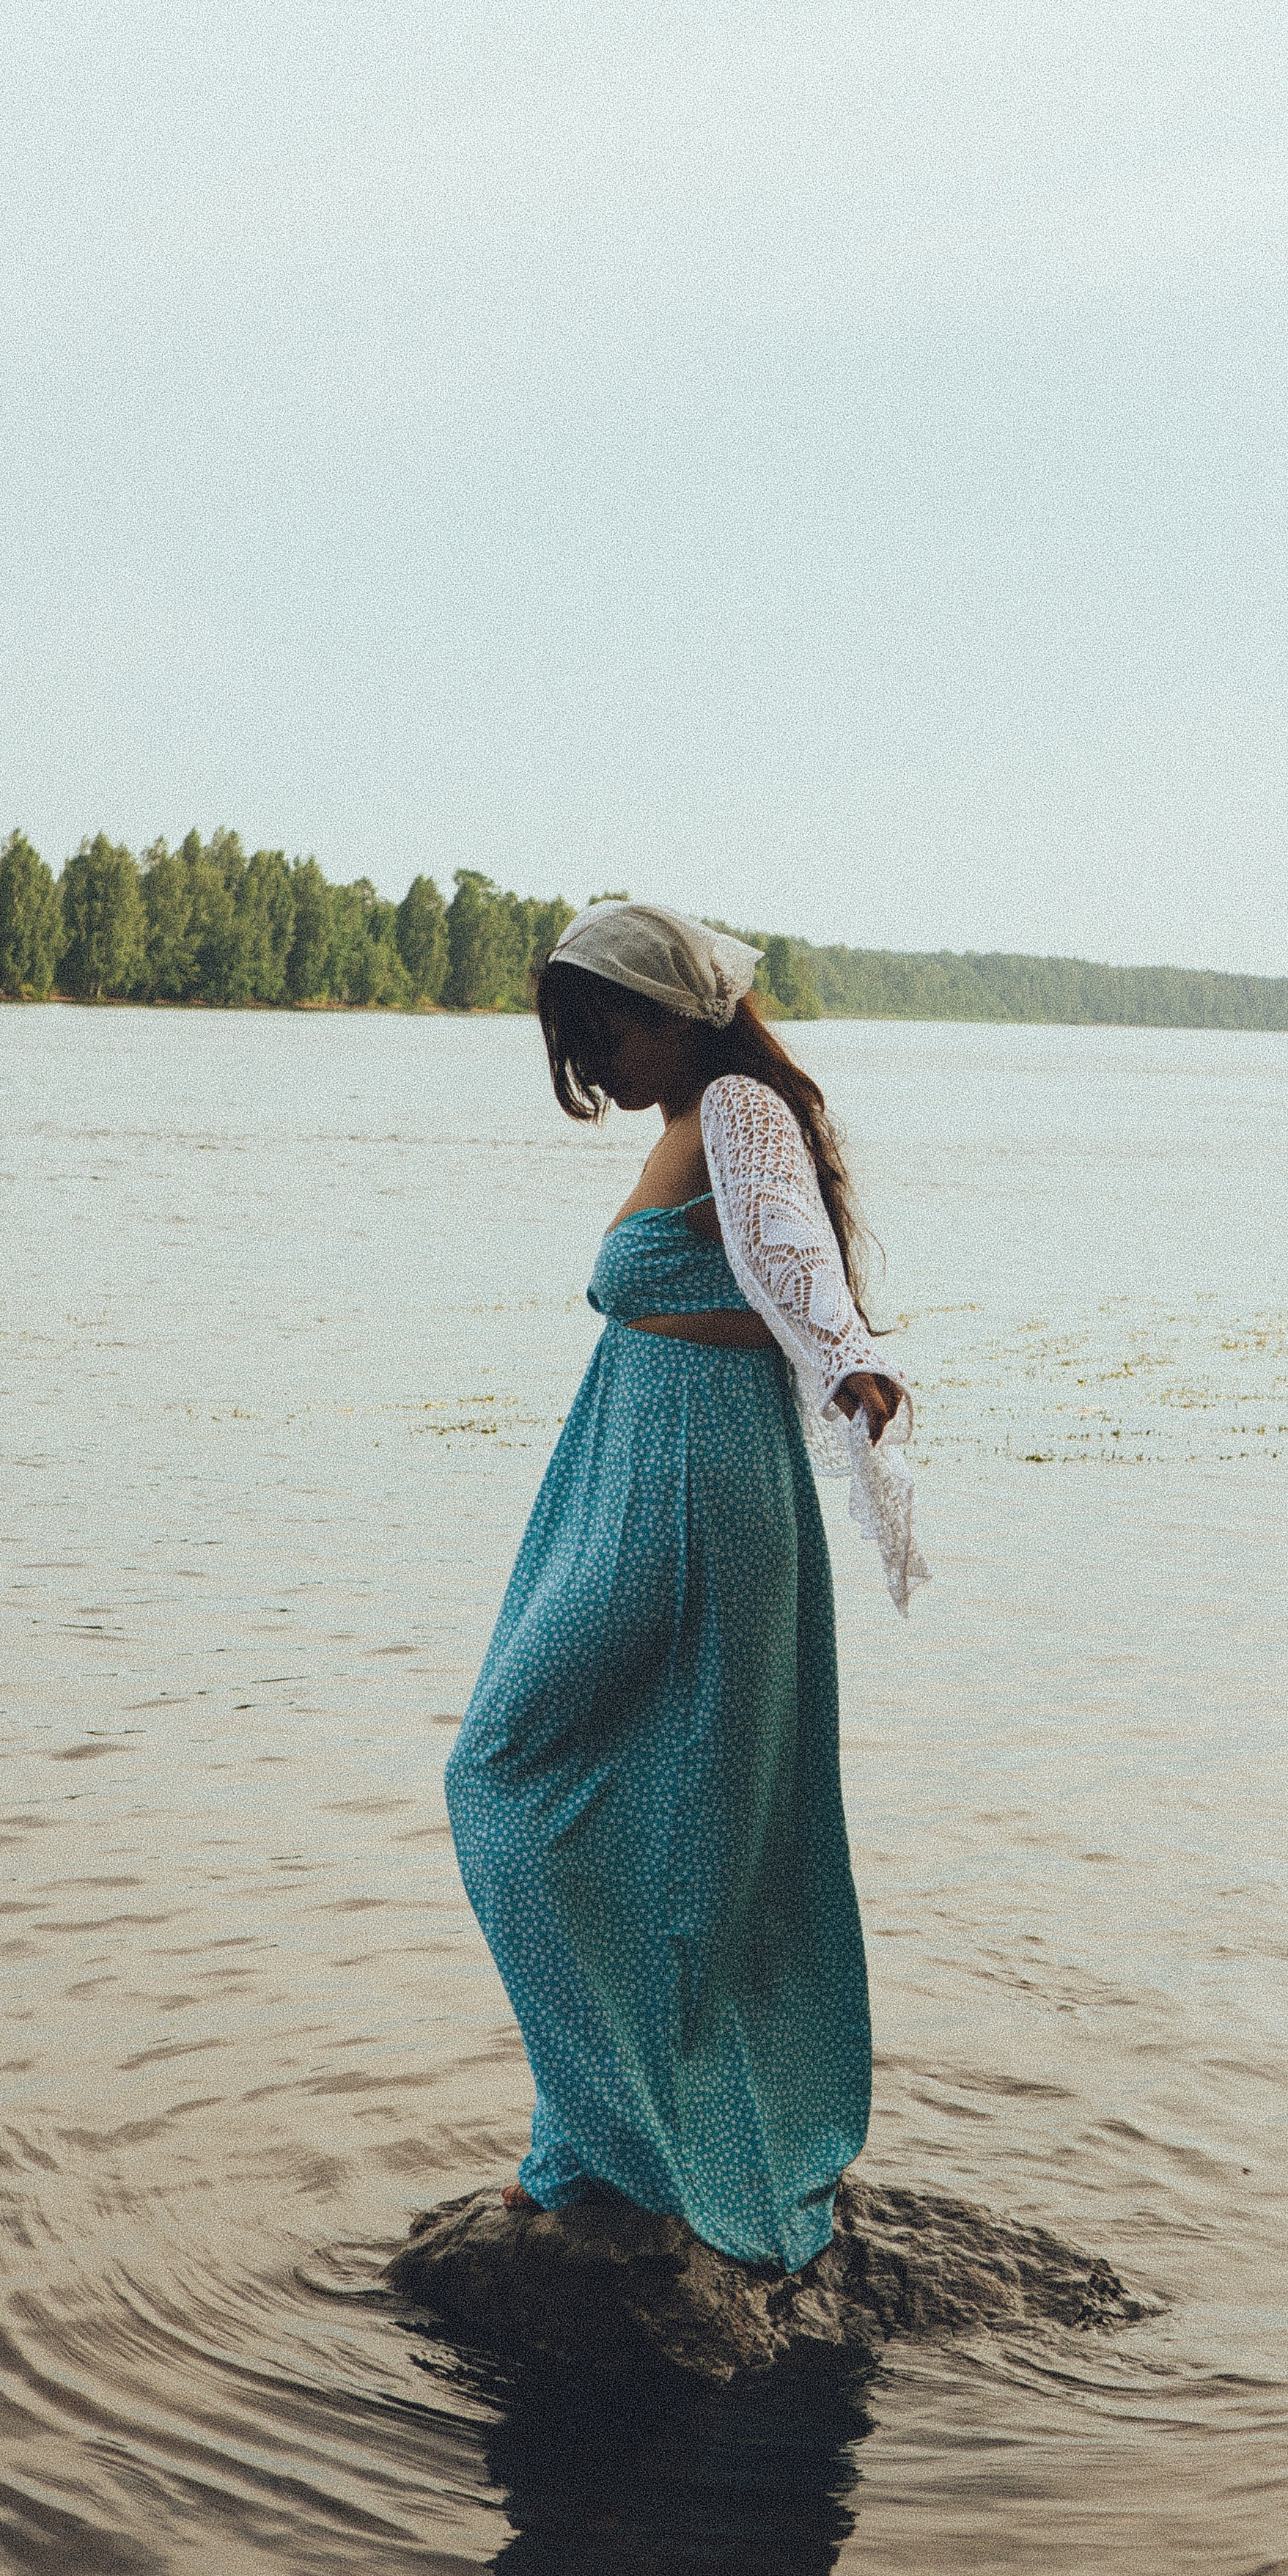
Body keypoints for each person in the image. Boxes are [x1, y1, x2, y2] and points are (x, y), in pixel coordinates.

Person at [444, 901, 927, 2273]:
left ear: (675, 1011)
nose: (597, 1066)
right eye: (578, 1044)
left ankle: (632, 2142)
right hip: (646, 1470)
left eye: (607, 1034)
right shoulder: (699, 1114)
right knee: (653, 1812)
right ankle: (596, 2135)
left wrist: (843, 1356)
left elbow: (795, 1263)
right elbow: (749, 1285)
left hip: (689, 1490)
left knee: (508, 1776)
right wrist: (803, 1342)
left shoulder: (738, 1115)